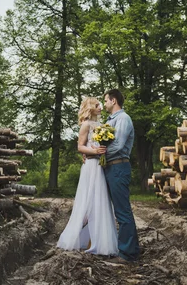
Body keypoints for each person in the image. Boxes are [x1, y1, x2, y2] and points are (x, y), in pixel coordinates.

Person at [57, 97, 119, 256]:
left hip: (102, 166)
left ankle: (100, 240)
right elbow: (80, 146)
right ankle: (79, 237)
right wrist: (94, 152)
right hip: (91, 166)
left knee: (101, 201)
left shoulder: (102, 125)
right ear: (90, 108)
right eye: (97, 105)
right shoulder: (85, 125)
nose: (100, 107)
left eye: (100, 104)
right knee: (89, 199)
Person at [102, 89, 140, 263]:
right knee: (115, 210)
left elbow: (117, 145)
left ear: (114, 100)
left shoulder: (123, 119)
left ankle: (128, 253)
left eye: (106, 101)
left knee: (122, 211)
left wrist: (98, 154)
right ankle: (124, 246)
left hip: (118, 167)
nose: (104, 104)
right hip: (110, 168)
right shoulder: (111, 120)